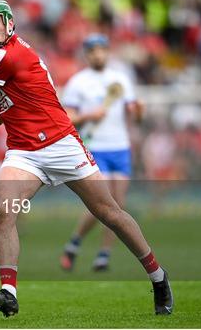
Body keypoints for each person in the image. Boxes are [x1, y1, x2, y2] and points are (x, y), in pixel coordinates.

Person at [0, 0, 173, 317]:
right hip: (24, 151)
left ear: (9, 24)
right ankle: (8, 292)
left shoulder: (7, 56)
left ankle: (158, 277)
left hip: (61, 143)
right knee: (4, 209)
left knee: (109, 213)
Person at [59, 34, 142, 272]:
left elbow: (134, 114)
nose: (98, 54)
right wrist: (89, 115)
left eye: (102, 50)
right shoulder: (78, 82)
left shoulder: (120, 79)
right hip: (95, 147)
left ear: (108, 52)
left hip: (120, 148)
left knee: (118, 205)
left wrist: (139, 112)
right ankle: (75, 242)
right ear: (87, 54)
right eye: (93, 50)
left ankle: (104, 254)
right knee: (102, 205)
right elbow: (68, 117)